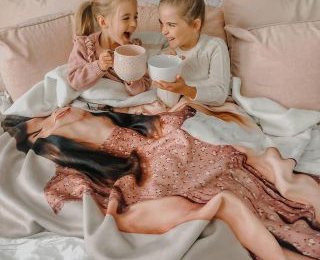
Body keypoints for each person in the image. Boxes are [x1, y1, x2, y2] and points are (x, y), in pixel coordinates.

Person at [2, 106, 320, 260]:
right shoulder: (56, 143)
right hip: (135, 168)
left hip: (159, 150)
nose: (61, 111)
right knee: (213, 197)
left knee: (226, 173)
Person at [154, 0, 230, 106]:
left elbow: (220, 94)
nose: (163, 31)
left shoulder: (214, 47)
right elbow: (164, 97)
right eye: (162, 23)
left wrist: (186, 90)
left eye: (171, 24)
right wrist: (169, 69)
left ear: (195, 25)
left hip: (205, 108)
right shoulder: (167, 51)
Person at [67, 0, 151, 95]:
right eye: (126, 18)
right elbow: (74, 81)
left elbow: (144, 87)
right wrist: (99, 66)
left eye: (135, 17)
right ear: (103, 22)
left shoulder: (135, 51)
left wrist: (132, 78)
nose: (134, 23)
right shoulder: (84, 46)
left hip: (119, 105)